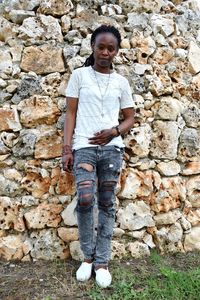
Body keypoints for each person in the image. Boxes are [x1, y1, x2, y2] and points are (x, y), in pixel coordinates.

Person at [62, 24, 135, 288]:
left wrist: (114, 131)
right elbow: (70, 114)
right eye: (100, 47)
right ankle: (87, 258)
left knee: (106, 203)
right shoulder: (79, 76)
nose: (105, 52)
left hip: (112, 149)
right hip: (84, 146)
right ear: (92, 48)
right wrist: (67, 148)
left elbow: (130, 117)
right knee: (84, 199)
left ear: (116, 51)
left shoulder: (121, 82)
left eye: (110, 48)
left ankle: (102, 261)